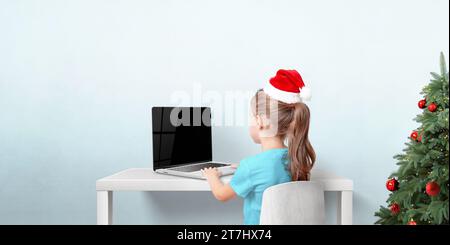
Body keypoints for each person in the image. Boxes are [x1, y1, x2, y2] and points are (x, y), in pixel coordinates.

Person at [202, 69, 316, 225]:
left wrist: (212, 176)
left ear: (260, 121)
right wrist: (244, 169)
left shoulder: (251, 166)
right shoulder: (295, 159)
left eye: (251, 117)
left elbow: (221, 195)